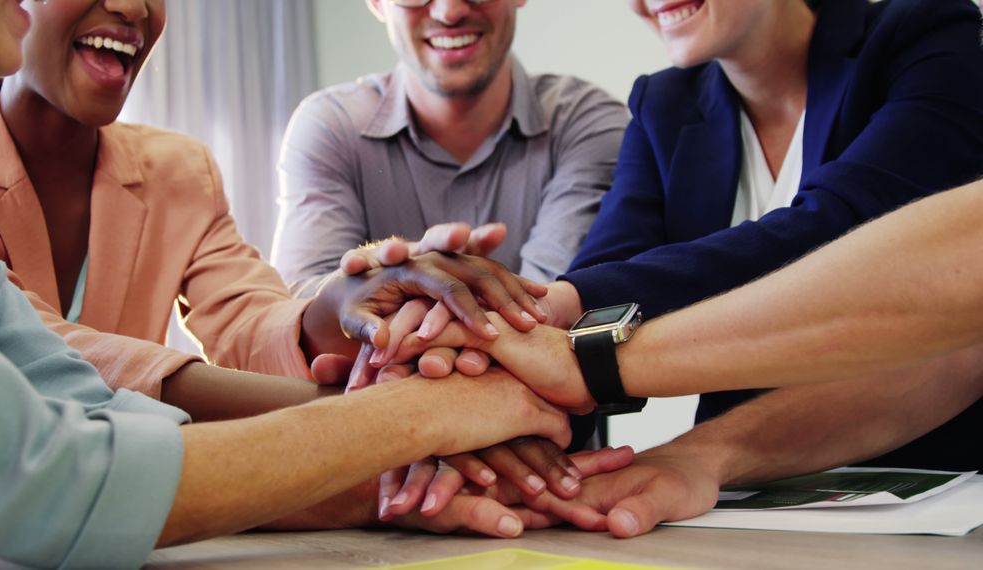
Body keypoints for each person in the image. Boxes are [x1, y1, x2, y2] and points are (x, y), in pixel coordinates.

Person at [0, 1, 617, 567]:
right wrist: (411, 420)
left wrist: (334, 315)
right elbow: (40, 435)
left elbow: (215, 329)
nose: (129, 4)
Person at [358, 0, 983, 518]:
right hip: (737, 498)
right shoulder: (665, 104)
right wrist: (484, 396)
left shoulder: (926, 38)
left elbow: (840, 233)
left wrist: (546, 308)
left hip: (938, 493)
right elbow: (603, 276)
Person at [389, 176, 983, 537]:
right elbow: (956, 350)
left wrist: (585, 359)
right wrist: (706, 456)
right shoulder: (668, 99)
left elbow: (947, 273)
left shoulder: (928, 33)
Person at [271, 0, 628, 296]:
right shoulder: (330, 127)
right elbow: (299, 307)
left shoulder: (588, 124)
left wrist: (399, 288)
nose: (449, 11)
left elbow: (549, 305)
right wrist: (406, 278)